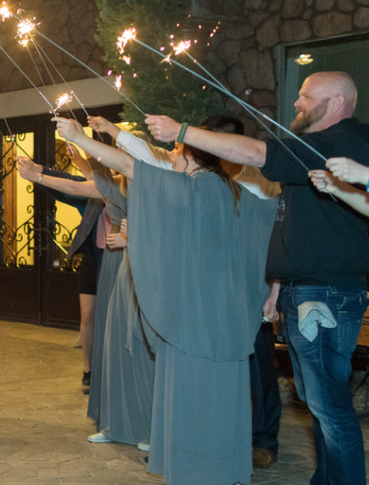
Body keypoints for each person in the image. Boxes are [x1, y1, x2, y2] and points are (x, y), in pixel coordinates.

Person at [146, 71, 369, 484]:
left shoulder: (343, 143)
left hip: (325, 295)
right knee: (318, 403)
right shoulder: (319, 149)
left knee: (331, 406)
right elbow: (303, 226)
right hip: (303, 290)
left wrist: (182, 130)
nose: (298, 102)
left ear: (336, 102)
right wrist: (278, 286)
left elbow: (253, 152)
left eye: (306, 96)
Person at [56, 116, 277, 485]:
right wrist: (272, 288)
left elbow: (130, 164)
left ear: (192, 154)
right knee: (220, 396)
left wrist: (80, 137)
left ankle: (195, 471)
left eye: (176, 148)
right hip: (228, 314)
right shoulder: (233, 191)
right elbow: (269, 230)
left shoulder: (196, 188)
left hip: (192, 314)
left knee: (192, 395)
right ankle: (223, 468)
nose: (171, 155)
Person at [17, 151, 105, 390]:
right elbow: (68, 184)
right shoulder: (94, 186)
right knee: (87, 316)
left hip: (116, 260)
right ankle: (88, 369)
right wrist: (37, 169)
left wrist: (36, 175)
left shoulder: (118, 186)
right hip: (91, 257)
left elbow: (78, 185)